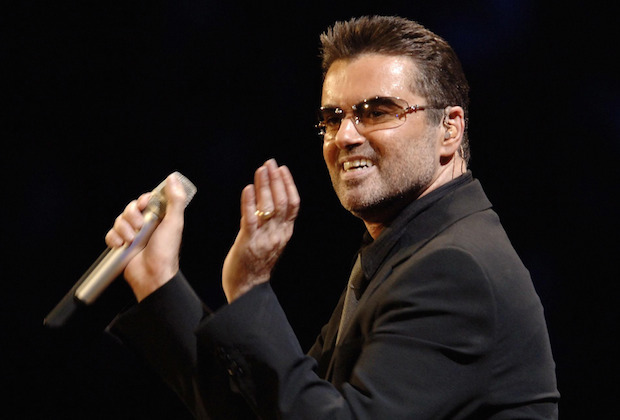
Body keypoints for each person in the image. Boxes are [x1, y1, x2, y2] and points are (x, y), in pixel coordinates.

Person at [105, 15, 560, 419]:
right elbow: (275, 408)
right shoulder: (405, 253)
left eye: (377, 112)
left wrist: (249, 290)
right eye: (333, 117)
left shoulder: (454, 270)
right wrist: (159, 284)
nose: (344, 136)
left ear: (449, 128)